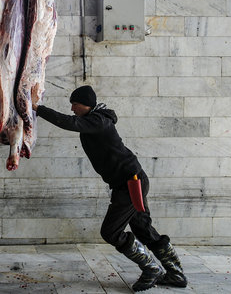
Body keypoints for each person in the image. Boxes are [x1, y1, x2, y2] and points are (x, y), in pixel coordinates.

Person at [33, 85, 187, 292]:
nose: (72, 108)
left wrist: (37, 108)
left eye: (74, 104)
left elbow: (69, 123)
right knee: (143, 230)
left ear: (86, 104)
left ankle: (151, 269)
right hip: (129, 181)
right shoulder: (95, 121)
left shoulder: (99, 121)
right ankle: (176, 274)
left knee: (110, 232)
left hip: (130, 183)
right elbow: (76, 122)